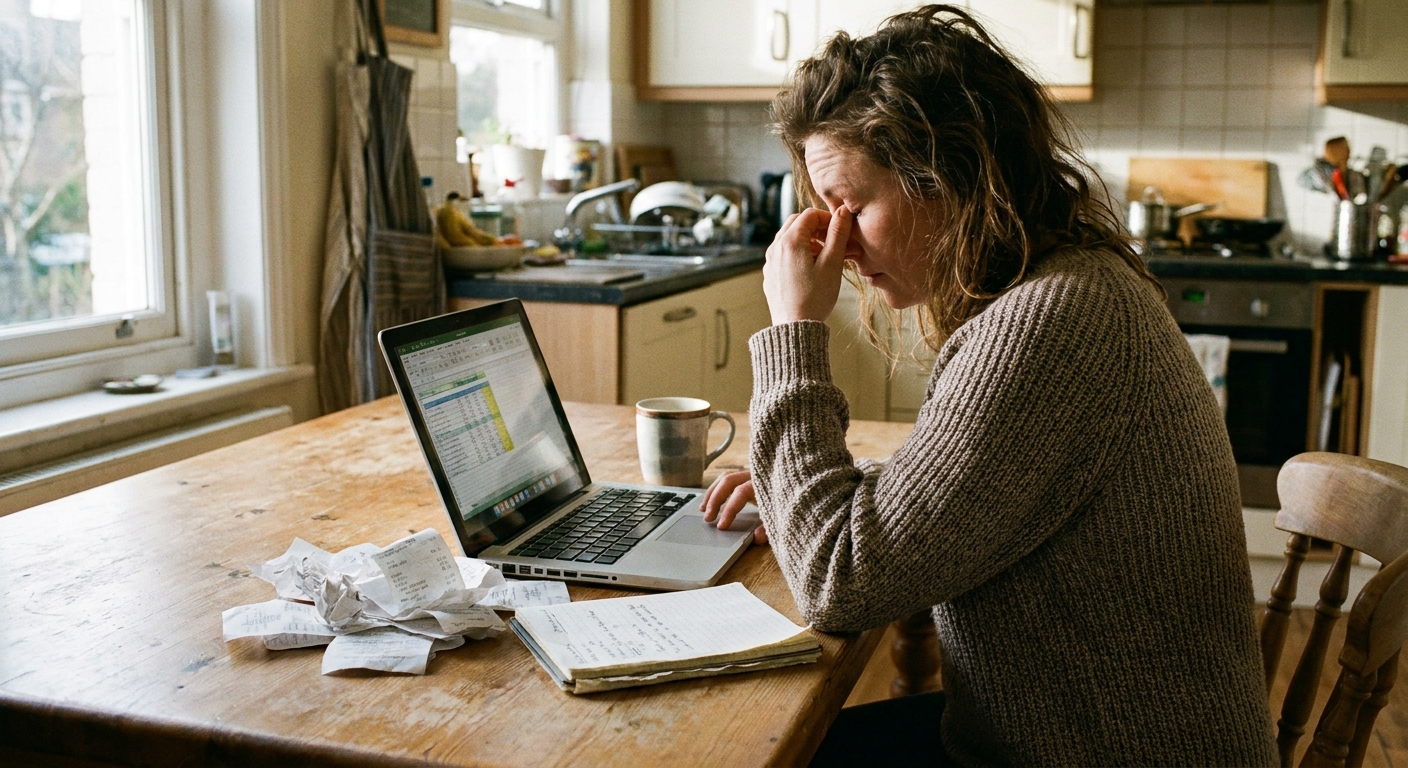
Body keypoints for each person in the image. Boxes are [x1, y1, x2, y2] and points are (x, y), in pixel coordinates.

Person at [700, 5, 1277, 766]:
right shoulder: (1060, 285)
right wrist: (805, 491)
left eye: (852, 204)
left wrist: (791, 330)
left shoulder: (1051, 321)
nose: (833, 241)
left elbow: (840, 583)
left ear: (951, 178)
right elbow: (985, 487)